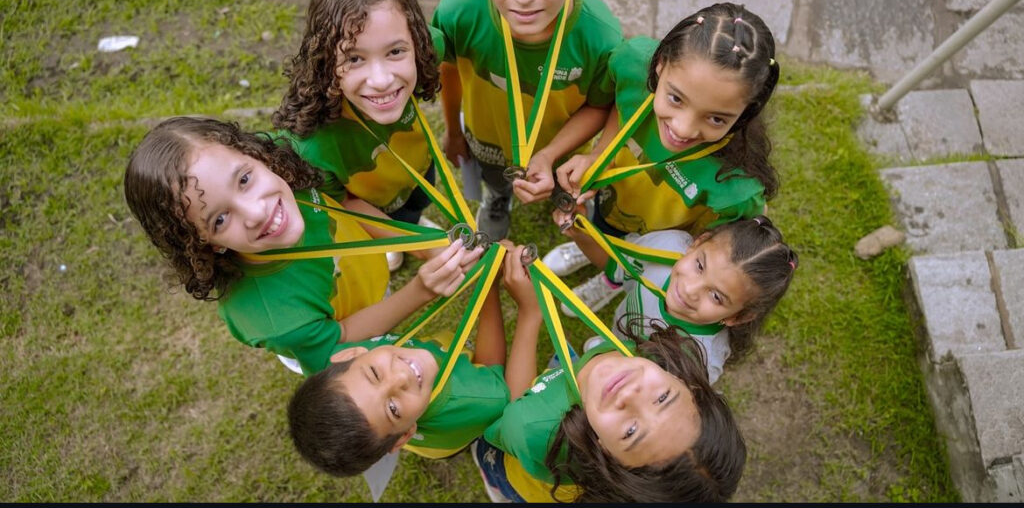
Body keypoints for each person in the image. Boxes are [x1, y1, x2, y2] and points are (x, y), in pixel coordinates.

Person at [123, 116, 480, 375]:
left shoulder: (294, 166)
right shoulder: (275, 318)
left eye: (244, 179)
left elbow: (348, 204)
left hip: (365, 283)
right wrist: (421, 290)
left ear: (256, 154)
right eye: (219, 219)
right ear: (204, 244)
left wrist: (422, 246)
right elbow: (339, 340)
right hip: (336, 336)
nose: (256, 212)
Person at [431, 0, 621, 241]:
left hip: (559, 147)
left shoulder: (600, 37)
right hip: (485, 140)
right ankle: (497, 199)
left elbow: (600, 105)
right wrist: (453, 131)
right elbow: (447, 70)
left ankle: (560, 196)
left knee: (558, 181)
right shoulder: (457, 12)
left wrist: (549, 156)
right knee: (494, 179)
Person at [545, 2, 781, 315]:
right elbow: (621, 100)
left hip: (660, 237)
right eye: (675, 98)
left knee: (632, 264)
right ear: (659, 64)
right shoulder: (632, 64)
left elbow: (722, 247)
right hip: (615, 195)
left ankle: (611, 281)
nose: (682, 129)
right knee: (603, 224)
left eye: (716, 119)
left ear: (746, 112)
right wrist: (600, 154)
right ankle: (591, 246)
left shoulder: (737, 189)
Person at [472, 247, 746, 503]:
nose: (628, 394)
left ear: (605, 454)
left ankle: (495, 484)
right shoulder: (671, 353)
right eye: (663, 398)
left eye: (631, 432)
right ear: (688, 385)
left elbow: (511, 407)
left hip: (527, 472)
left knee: (499, 469)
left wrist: (529, 313)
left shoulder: (531, 429)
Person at [286, 242, 537, 475]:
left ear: (349, 354)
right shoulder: (472, 399)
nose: (400, 377)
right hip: (456, 426)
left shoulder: (334, 362)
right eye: (392, 409)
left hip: (430, 441)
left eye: (374, 374)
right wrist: (517, 303)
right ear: (405, 436)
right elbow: (500, 383)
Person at [273, 0, 445, 273]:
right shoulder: (311, 148)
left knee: (415, 206)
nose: (381, 80)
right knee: (390, 225)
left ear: (417, 41)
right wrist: (418, 245)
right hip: (370, 202)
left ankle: (411, 223)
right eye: (354, 58)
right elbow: (346, 204)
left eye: (395, 52)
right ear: (325, 61)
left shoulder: (430, 48)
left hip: (418, 169)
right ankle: (391, 244)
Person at [582, 217, 796, 385]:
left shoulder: (701, 360)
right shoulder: (663, 246)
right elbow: (618, 263)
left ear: (738, 317)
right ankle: (610, 346)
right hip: (619, 330)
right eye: (700, 266)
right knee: (614, 340)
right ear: (698, 243)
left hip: (635, 379)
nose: (689, 290)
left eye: (716, 296)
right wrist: (579, 233)